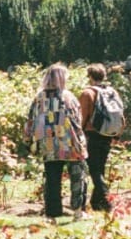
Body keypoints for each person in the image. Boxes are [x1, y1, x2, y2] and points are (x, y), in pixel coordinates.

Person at [25, 64, 87, 218]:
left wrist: (31, 141)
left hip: (49, 143)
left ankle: (52, 213)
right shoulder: (68, 96)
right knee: (77, 176)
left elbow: (31, 119)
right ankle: (78, 210)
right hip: (70, 143)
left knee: (52, 178)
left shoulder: (39, 97)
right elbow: (77, 119)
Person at [77, 65, 117, 212]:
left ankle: (107, 200)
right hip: (107, 134)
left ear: (90, 76)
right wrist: (116, 134)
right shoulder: (111, 92)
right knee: (100, 168)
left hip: (92, 134)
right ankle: (96, 202)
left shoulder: (88, 93)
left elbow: (82, 117)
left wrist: (78, 133)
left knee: (94, 170)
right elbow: (120, 116)